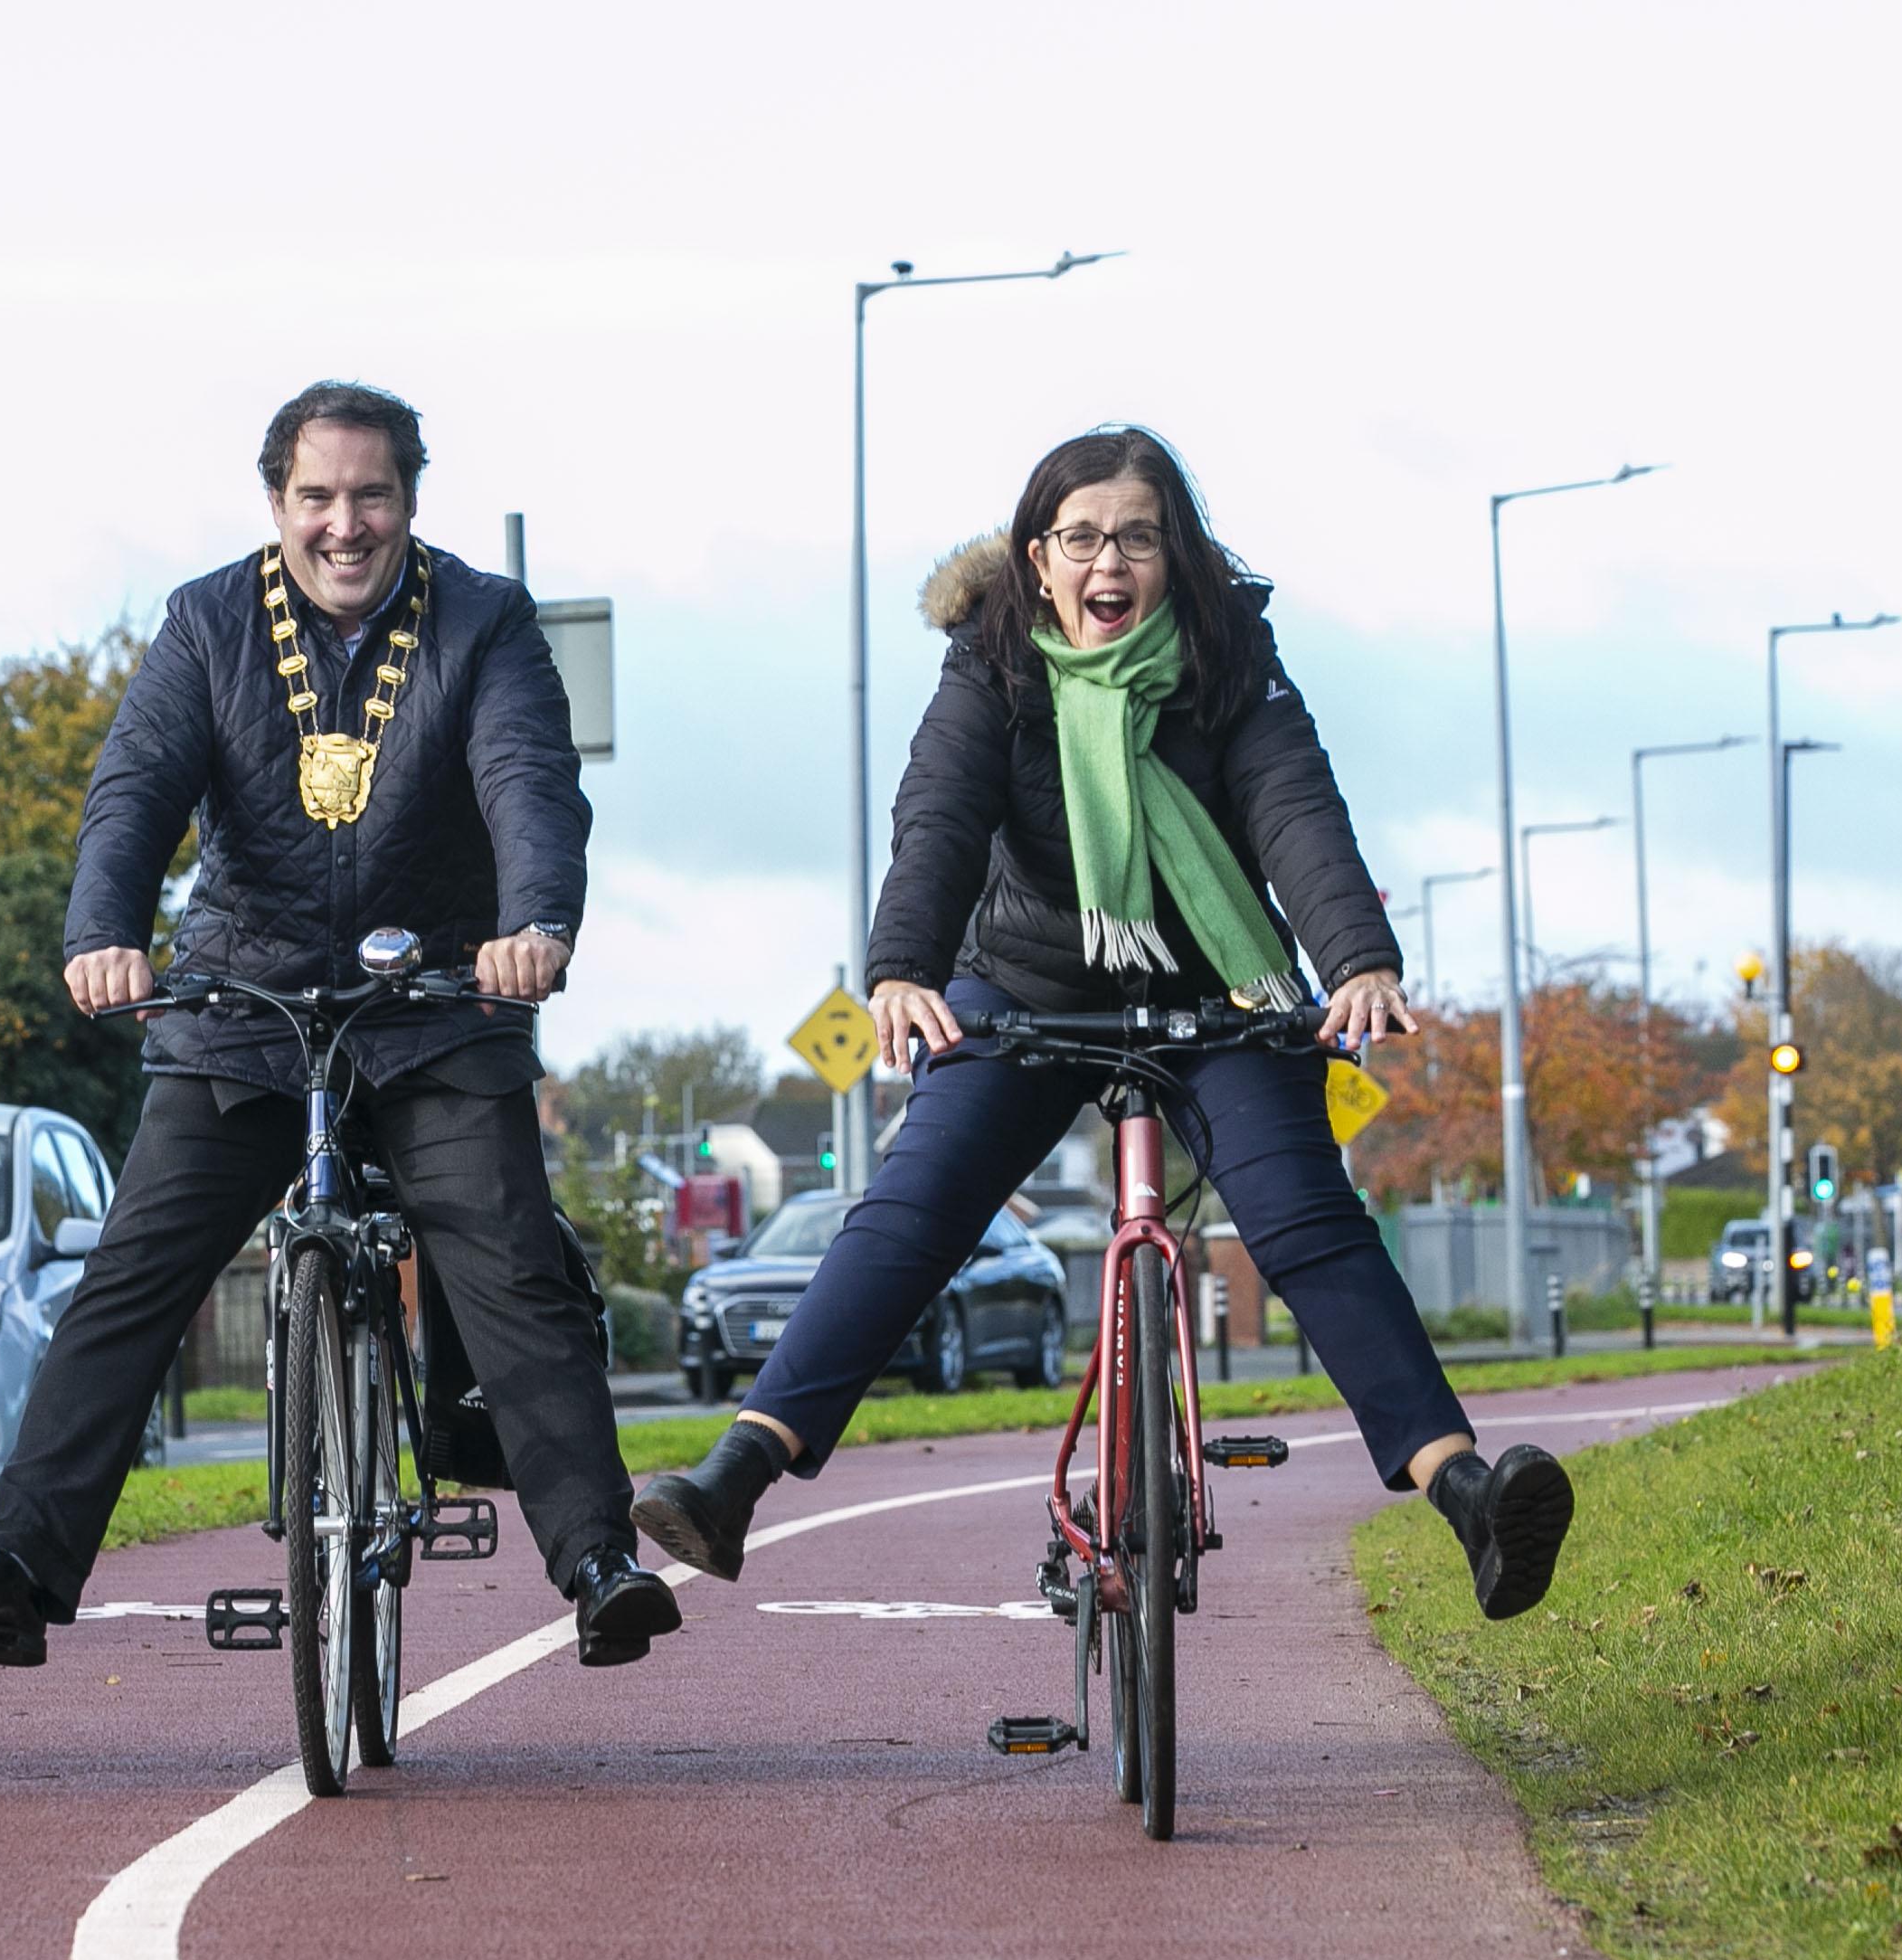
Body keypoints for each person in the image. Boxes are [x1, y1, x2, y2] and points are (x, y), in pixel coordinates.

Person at [632, 425, 1574, 1622]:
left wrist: (1357, 959)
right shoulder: (992, 663)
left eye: (1135, 536)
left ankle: (1470, 1496)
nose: (1108, 562)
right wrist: (902, 969)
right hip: (1025, 987)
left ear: (1173, 555)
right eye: (1082, 538)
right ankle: (738, 1476)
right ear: (1038, 558)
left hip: (1215, 996)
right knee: (911, 1212)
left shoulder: (1235, 657)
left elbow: (1296, 809)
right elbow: (940, 811)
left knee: (1307, 1222)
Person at [0, 380, 678, 1669]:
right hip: (241, 1008)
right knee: (129, 1274)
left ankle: (596, 1560)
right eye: (317, 497)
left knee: (511, 1262)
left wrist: (534, 925)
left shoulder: (484, 623)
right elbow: (134, 787)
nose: (345, 524)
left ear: (410, 502)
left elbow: (532, 783)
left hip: (434, 1008)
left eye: (371, 495)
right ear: (277, 503)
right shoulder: (207, 622)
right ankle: (16, 1572)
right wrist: (102, 933)